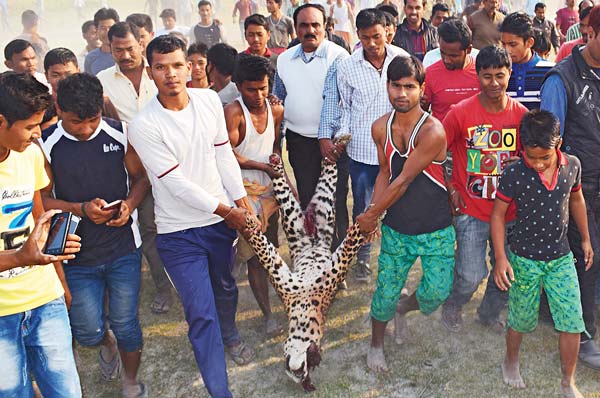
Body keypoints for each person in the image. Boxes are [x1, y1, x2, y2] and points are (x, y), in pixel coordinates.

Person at [128, 36, 259, 397]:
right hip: (178, 233)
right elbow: (173, 184)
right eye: (160, 67)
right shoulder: (143, 125)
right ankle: (221, 392)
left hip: (220, 225)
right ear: (150, 71)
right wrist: (229, 211)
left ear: (190, 66)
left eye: (176, 65)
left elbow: (222, 155)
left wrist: (241, 200)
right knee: (201, 315)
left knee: (227, 288)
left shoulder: (207, 101)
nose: (170, 74)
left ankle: (230, 334)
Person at [40, 73, 149, 398]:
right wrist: (80, 208)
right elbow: (41, 200)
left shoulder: (120, 132)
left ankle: (130, 381)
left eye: (92, 120)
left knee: (127, 322)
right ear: (59, 109)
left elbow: (141, 178)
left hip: (123, 249)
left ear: (102, 109)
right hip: (75, 254)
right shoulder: (45, 143)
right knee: (86, 331)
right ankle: (105, 342)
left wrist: (129, 205)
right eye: (76, 122)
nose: (86, 129)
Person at [355, 55, 455, 372]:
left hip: (436, 227)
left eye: (409, 86)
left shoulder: (433, 131)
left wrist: (371, 216)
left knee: (436, 293)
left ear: (422, 89)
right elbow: (385, 172)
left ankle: (404, 307)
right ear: (387, 86)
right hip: (398, 227)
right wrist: (375, 212)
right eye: (395, 85)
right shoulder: (379, 128)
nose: (401, 93)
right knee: (384, 290)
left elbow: (404, 179)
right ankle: (375, 346)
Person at [492, 110, 590, 398]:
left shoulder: (572, 166)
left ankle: (567, 381)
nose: (536, 163)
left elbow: (577, 198)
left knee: (572, 320)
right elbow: (498, 216)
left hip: (561, 258)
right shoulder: (514, 173)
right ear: (522, 148)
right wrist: (501, 258)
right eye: (530, 157)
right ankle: (510, 362)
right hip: (523, 259)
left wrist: (585, 238)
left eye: (543, 158)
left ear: (558, 143)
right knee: (520, 319)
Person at [0, 71, 81, 398]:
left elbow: (39, 222)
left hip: (45, 300)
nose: (37, 136)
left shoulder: (30, 156)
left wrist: (59, 279)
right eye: (31, 127)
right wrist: (21, 257)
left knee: (66, 393)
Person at [441, 45, 528, 334]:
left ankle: (488, 314)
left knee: (507, 270)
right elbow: (438, 152)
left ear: (510, 73)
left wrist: (522, 163)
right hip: (471, 211)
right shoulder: (459, 114)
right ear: (477, 75)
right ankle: (454, 301)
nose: (494, 83)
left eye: (499, 76)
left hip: (510, 213)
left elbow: (536, 160)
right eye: (487, 76)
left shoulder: (522, 116)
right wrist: (451, 187)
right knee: (470, 274)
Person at [540, 4, 600, 370]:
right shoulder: (562, 79)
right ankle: (584, 335)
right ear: (589, 33)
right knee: (584, 261)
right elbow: (549, 144)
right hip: (580, 191)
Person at [335, 8, 409, 283]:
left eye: (377, 36)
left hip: (397, 151)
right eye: (366, 38)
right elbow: (344, 108)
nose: (372, 43)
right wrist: (342, 134)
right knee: (364, 209)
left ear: (387, 31)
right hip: (362, 153)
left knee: (399, 207)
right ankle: (363, 259)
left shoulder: (402, 59)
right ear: (359, 36)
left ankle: (394, 260)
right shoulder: (348, 66)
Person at [224, 54, 285, 336]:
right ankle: (268, 314)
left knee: (272, 250)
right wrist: (260, 166)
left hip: (270, 192)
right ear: (238, 86)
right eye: (251, 89)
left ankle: (281, 301)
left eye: (264, 88)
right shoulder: (234, 114)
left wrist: (283, 180)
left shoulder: (276, 111)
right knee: (255, 258)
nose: (259, 95)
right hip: (242, 195)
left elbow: (273, 150)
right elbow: (225, 155)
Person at [273, 3, 349, 211]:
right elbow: (277, 99)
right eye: (304, 25)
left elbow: (348, 103)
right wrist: (277, 144)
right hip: (299, 142)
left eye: (316, 24)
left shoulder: (339, 57)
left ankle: (337, 244)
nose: (310, 30)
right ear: (295, 28)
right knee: (308, 199)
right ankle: (313, 244)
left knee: (335, 201)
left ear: (325, 26)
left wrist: (338, 139)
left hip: (332, 144)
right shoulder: (284, 60)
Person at [422, 18, 480, 121]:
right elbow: (422, 114)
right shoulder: (430, 74)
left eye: (453, 56)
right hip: (443, 136)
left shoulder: (482, 72)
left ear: (468, 50)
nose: (447, 60)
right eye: (442, 53)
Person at [44, 47, 121, 121]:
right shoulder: (44, 106)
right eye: (56, 75)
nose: (63, 79)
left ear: (78, 72)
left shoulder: (100, 100)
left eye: (68, 74)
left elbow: (116, 130)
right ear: (47, 76)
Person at [500, 12, 554, 111]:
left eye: (512, 44)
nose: (507, 50)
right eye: (503, 44)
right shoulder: (498, 73)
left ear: (530, 42)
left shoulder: (550, 71)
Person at [84, 8, 120, 76]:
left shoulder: (125, 54)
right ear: (97, 30)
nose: (107, 32)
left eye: (110, 27)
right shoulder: (91, 58)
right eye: (103, 28)